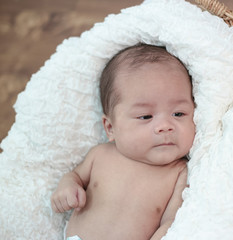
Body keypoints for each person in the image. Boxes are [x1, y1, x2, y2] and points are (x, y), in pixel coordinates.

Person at [51, 43, 196, 240]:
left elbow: (172, 222)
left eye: (178, 113)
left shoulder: (179, 172)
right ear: (110, 128)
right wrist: (67, 187)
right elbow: (74, 176)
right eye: (145, 116)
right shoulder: (100, 155)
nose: (165, 126)